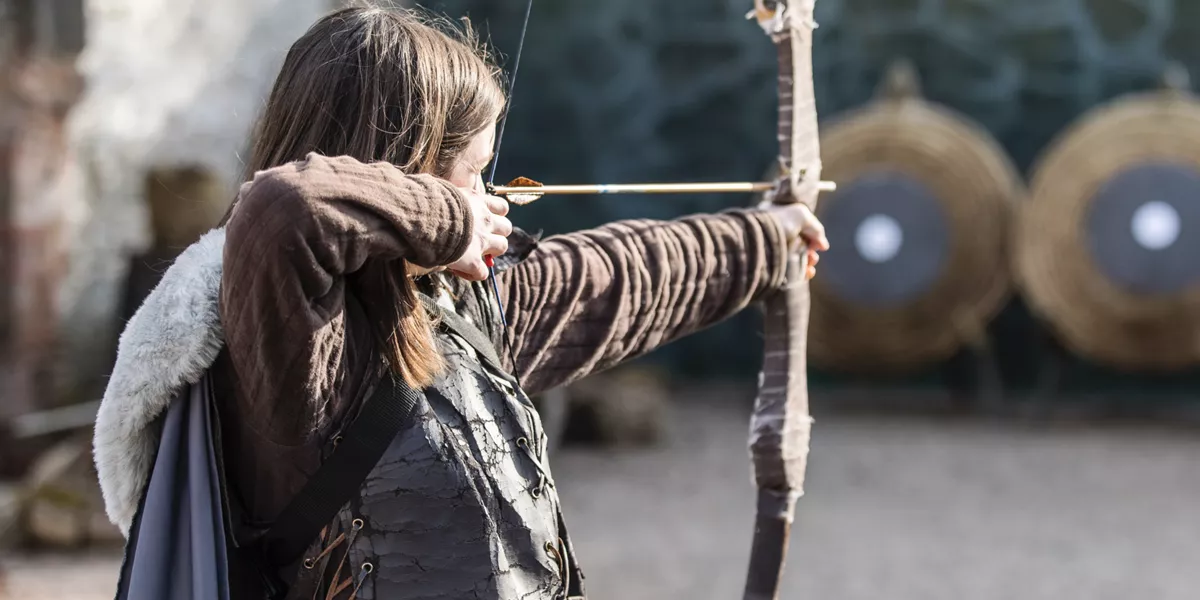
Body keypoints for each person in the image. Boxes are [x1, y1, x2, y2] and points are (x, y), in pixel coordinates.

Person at [95, 4, 829, 600]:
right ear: (407, 177)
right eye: (472, 173)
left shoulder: (460, 308)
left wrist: (771, 238)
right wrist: (451, 221)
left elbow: (626, 273)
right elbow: (285, 210)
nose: (490, 197)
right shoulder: (291, 344)